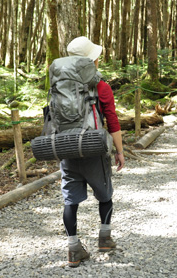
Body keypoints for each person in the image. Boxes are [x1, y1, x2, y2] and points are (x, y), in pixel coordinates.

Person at [60, 36, 125, 268]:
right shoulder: (101, 86)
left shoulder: (59, 84)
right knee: (105, 194)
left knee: (71, 201)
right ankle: (105, 238)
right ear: (92, 61)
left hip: (66, 148)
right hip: (93, 148)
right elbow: (112, 120)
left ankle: (73, 249)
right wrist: (119, 151)